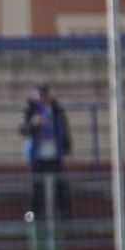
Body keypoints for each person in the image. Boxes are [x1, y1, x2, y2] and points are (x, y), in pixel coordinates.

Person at [19, 83, 72, 223]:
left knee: (60, 186)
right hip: (37, 155)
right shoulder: (30, 110)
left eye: (45, 94)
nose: (42, 98)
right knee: (35, 188)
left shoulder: (56, 109)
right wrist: (33, 124)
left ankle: (64, 215)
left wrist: (67, 147)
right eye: (40, 95)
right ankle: (31, 217)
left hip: (55, 153)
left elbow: (64, 128)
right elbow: (23, 130)